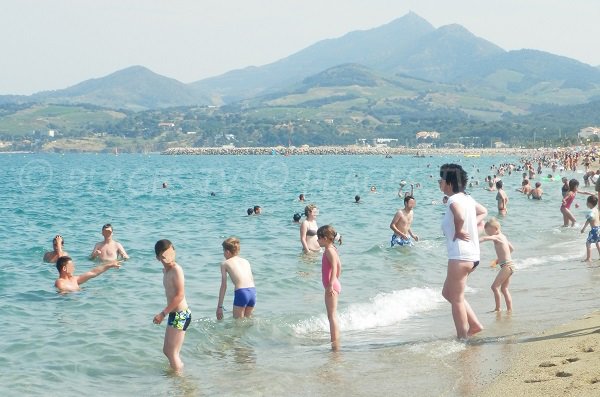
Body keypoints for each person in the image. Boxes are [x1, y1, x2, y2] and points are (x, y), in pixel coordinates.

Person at [439, 163, 487, 339]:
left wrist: (460, 229)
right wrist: (469, 225)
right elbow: (483, 212)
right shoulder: (468, 198)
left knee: (457, 298)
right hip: (472, 256)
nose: (439, 184)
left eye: (441, 180)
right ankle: (474, 325)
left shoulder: (453, 200)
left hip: (460, 256)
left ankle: (462, 337)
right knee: (447, 293)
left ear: (449, 183)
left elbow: (459, 216)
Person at [152, 239, 191, 372]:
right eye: (163, 254)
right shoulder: (166, 271)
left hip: (181, 314)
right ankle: (176, 377)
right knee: (167, 351)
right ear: (158, 257)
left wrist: (163, 314)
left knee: (172, 353)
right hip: (175, 314)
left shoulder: (176, 270)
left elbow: (180, 296)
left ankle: (181, 381)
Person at [216, 237, 256, 320]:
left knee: (237, 326)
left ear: (227, 251)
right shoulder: (246, 261)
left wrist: (219, 307)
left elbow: (224, 285)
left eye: (223, 251)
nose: (223, 254)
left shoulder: (225, 264)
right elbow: (251, 279)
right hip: (252, 292)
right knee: (247, 323)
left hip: (241, 292)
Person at [479, 218, 514, 312]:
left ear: (495, 228)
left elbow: (486, 238)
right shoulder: (503, 236)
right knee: (504, 289)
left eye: (488, 230)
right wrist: (500, 259)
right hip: (509, 265)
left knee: (494, 287)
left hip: (506, 266)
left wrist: (475, 242)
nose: (487, 233)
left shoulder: (497, 237)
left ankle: (498, 308)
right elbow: (512, 248)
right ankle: (509, 309)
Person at [317, 225, 342, 350]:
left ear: (325, 238)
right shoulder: (332, 248)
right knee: (331, 315)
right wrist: (335, 280)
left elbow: (335, 267)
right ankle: (335, 341)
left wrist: (331, 284)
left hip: (331, 286)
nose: (317, 240)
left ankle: (335, 344)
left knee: (332, 316)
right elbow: (339, 266)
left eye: (319, 238)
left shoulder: (329, 250)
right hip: (333, 284)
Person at [54, 256, 121, 293]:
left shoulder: (74, 279)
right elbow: (64, 295)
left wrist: (109, 265)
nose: (74, 268)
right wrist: (81, 290)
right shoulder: (60, 282)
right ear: (64, 268)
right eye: (71, 266)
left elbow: (93, 273)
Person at [581, 195, 600, 262]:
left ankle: (588, 258)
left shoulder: (591, 211)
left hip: (594, 229)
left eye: (586, 202)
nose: (586, 203)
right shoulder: (597, 210)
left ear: (589, 203)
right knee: (597, 242)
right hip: (599, 228)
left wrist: (583, 229)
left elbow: (589, 220)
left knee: (588, 243)